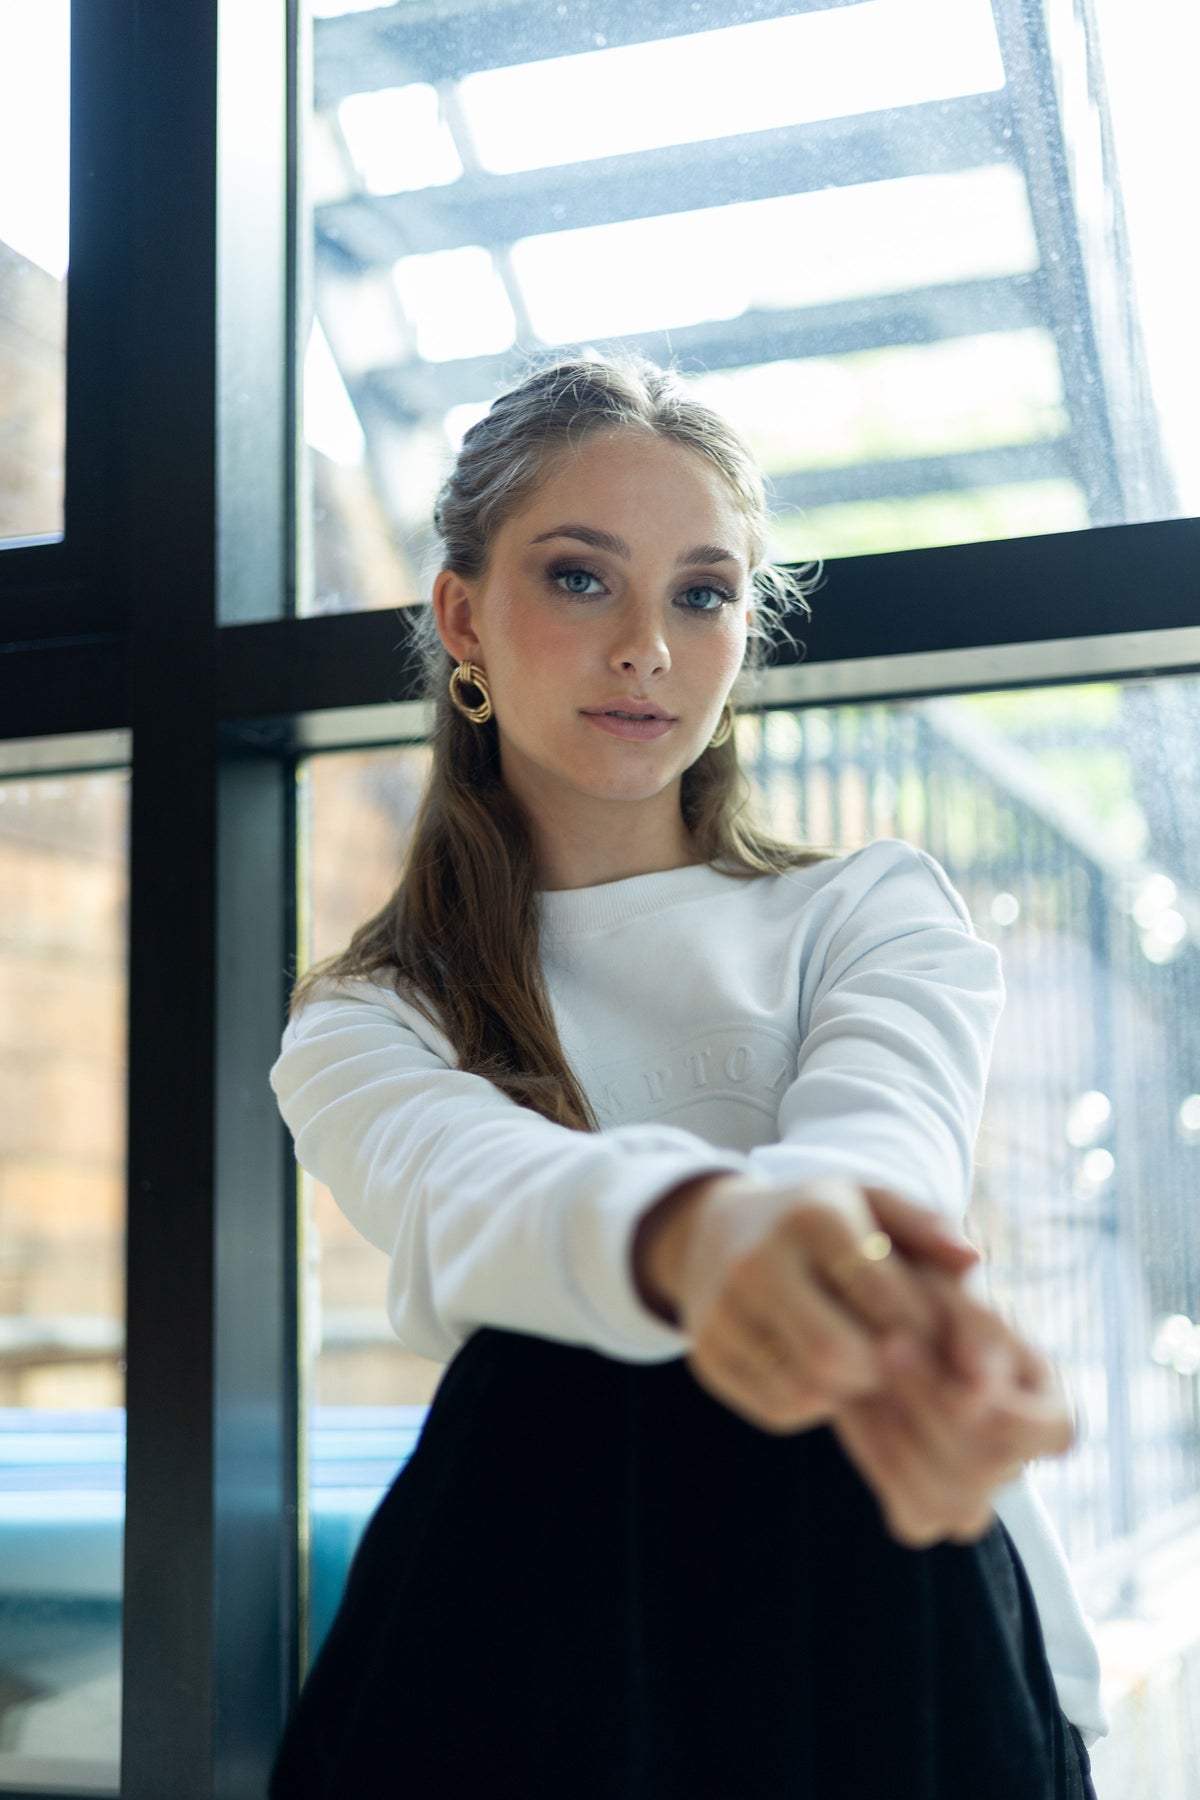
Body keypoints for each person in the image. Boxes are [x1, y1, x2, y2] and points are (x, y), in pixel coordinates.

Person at [267, 355, 1108, 1798]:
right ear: (462, 616)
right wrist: (695, 1244)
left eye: (703, 592)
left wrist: (795, 1257)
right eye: (582, 579)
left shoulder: (873, 909)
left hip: (887, 1626)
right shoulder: (364, 1020)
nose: (648, 644)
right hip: (566, 1640)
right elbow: (483, 1195)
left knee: (786, 1364)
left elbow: (879, 1158)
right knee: (557, 1358)